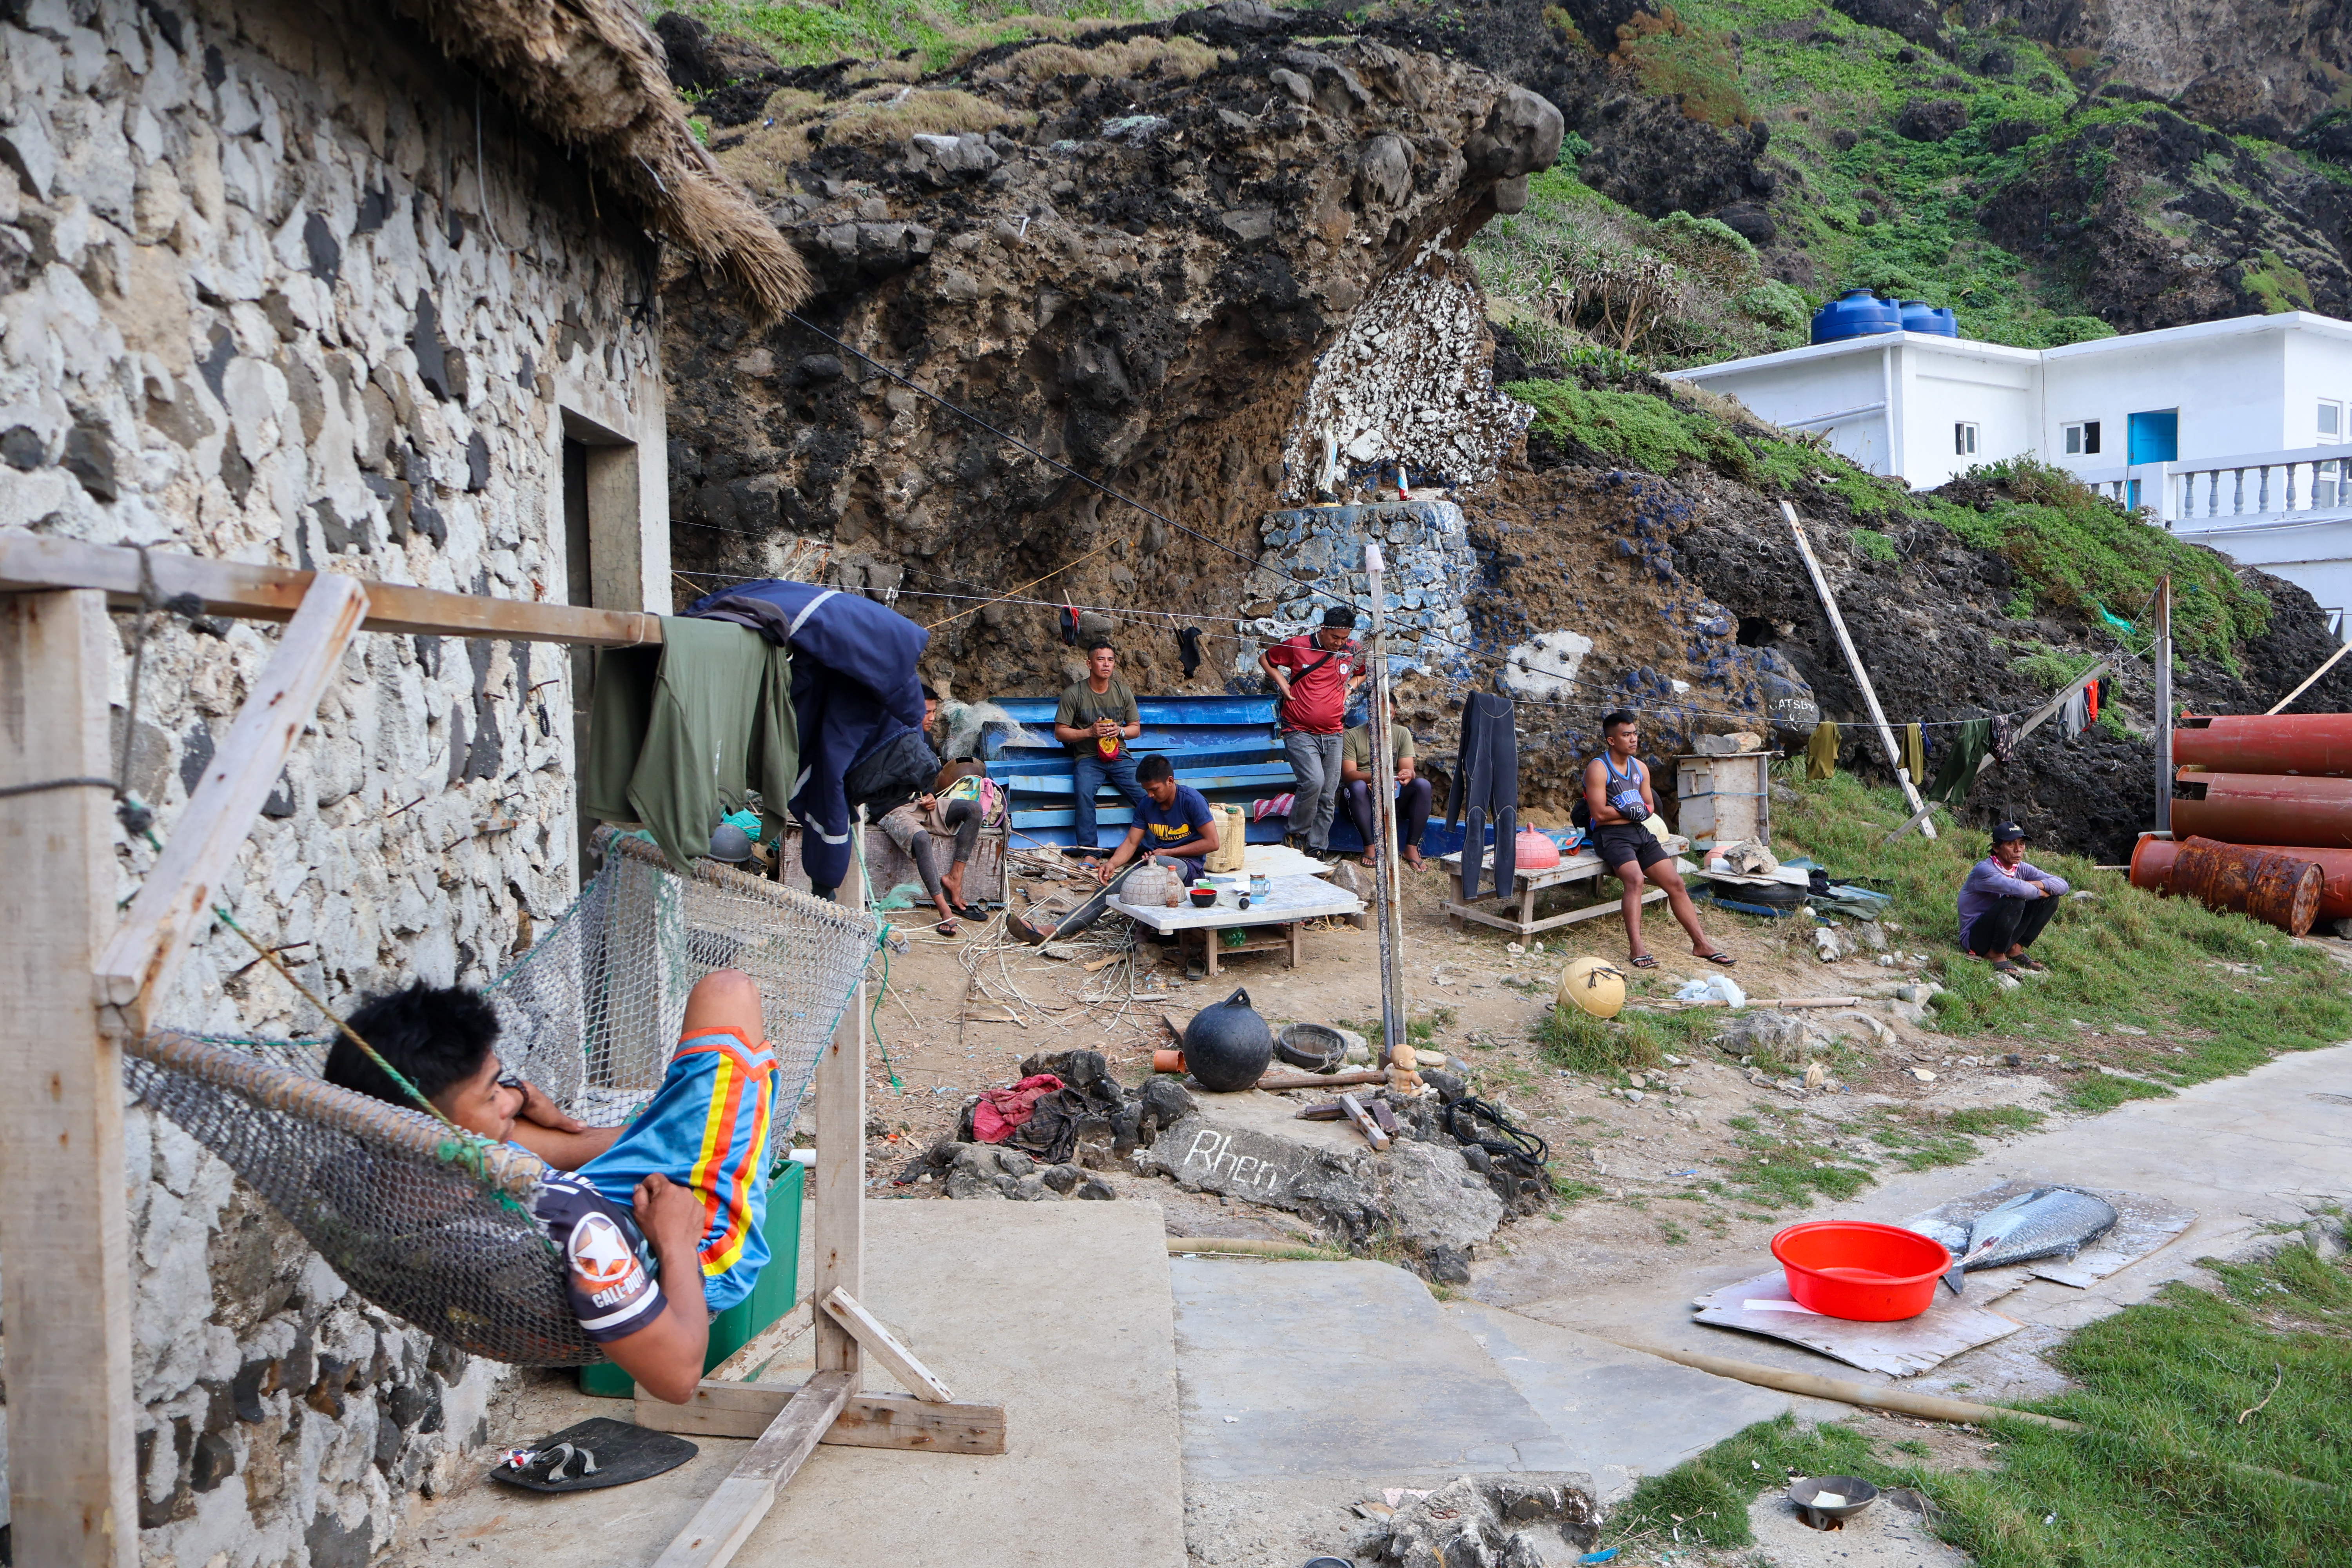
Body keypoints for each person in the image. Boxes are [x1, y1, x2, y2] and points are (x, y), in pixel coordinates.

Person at [325, 971, 776, 1404]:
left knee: (557, 1129)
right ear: (433, 1129)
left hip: (556, 1208)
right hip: (686, 1246)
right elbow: (678, 1378)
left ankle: (646, 1136)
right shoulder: (580, 1226)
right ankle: (662, 1139)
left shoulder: (352, 1170)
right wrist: (678, 1242)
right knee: (727, 992)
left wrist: (514, 1094)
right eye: (491, 1093)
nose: (507, 1099)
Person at [1582, 709, 1735, 970]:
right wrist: (1630, 812)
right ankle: (1637, 948)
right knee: (1635, 880)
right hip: (1611, 837)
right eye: (1626, 735)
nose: (1633, 739)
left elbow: (1650, 807)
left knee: (1676, 883)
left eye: (1635, 734)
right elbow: (1599, 815)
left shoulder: (1640, 768)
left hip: (1639, 833)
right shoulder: (1598, 769)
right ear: (1611, 740)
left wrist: (1633, 813)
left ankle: (1701, 944)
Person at [1260, 606, 1364, 858]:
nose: (1339, 643)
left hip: (1334, 733)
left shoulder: (1353, 649)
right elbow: (1266, 659)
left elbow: (1361, 673)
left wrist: (1349, 689)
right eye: (1335, 637)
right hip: (1299, 730)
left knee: (1328, 793)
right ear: (1324, 629)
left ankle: (1317, 848)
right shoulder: (1298, 646)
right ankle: (1295, 836)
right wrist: (1283, 683)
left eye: (1344, 638)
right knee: (1313, 782)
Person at [875, 762, 996, 935]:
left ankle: (954, 878)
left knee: (974, 809)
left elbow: (926, 775)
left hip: (919, 804)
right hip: (890, 810)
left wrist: (930, 795)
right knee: (921, 838)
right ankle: (944, 909)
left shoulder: (919, 745)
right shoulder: (877, 748)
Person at [1054, 640, 1145, 855]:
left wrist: (1120, 731)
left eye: (1110, 660)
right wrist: (1090, 733)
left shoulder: (1123, 692)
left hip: (1119, 756)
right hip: (1089, 757)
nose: (1106, 664)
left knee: (1146, 795)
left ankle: (1152, 849)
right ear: (1089, 664)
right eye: (1101, 659)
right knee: (1084, 795)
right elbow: (1060, 733)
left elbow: (1136, 729)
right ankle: (1091, 853)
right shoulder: (1074, 693)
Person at [1957, 822, 2068, 972]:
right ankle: (1995, 954)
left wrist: (2037, 884)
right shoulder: (1984, 870)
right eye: (2011, 844)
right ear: (1996, 848)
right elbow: (2021, 890)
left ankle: (2014, 948)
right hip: (1976, 938)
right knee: (2015, 900)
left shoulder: (2021, 868)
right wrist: (2042, 890)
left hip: (2003, 932)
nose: (2018, 850)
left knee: (2051, 899)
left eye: (2021, 844)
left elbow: (2062, 885)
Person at [1093, 753, 1220, 885]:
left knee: (1149, 874)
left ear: (1170, 781)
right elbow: (1131, 842)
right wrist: (1112, 863)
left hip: (1189, 865)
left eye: (1154, 789)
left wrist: (1168, 853)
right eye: (1146, 790)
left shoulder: (1192, 801)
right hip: (1157, 862)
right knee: (1118, 884)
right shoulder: (1146, 804)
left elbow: (1212, 843)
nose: (1150, 795)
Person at [1340, 715, 1430, 868]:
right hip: (1363, 796)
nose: (1383, 715)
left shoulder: (1401, 733)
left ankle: (1411, 848)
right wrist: (1377, 778)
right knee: (1357, 787)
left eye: (1389, 712)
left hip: (1394, 796)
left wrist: (1408, 774)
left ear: (1394, 714)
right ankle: (1370, 846)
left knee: (1423, 785)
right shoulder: (1352, 735)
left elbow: (1408, 769)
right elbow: (1348, 775)